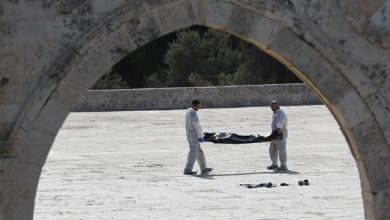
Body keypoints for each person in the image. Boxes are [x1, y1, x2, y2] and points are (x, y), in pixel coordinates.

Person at [183, 100, 213, 175]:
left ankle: (203, 168)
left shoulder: (188, 111)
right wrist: (201, 136)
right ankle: (188, 169)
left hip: (189, 134)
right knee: (193, 152)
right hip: (193, 135)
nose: (198, 108)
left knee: (199, 151)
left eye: (199, 106)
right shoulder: (193, 113)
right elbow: (197, 126)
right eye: (197, 106)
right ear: (193, 105)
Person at [266, 100, 288, 171]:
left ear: (277, 106)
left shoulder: (280, 113)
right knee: (272, 149)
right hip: (275, 133)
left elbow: (280, 126)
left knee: (282, 150)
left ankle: (283, 165)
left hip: (280, 134)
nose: (271, 107)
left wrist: (275, 136)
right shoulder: (275, 113)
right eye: (271, 106)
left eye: (273, 106)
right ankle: (274, 163)